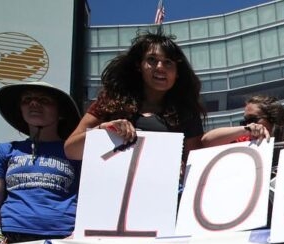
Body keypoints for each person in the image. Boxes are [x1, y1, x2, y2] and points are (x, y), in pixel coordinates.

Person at [65, 32, 205, 160]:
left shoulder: (187, 113)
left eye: (168, 62)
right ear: (139, 65)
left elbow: (193, 161)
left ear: (177, 72)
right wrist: (105, 129)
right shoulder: (111, 100)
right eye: (152, 60)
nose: (160, 67)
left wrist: (180, 168)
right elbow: (71, 150)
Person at [0, 82, 82, 244]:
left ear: (60, 112)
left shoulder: (75, 152)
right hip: (11, 236)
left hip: (64, 237)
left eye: (44, 100)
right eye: (26, 100)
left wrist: (79, 233)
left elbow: (88, 197)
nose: (34, 103)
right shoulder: (4, 150)